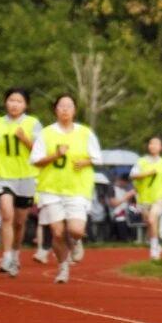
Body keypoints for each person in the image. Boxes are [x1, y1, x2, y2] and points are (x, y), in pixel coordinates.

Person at [30, 93, 101, 284]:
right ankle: (63, 267)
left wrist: (85, 161)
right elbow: (35, 160)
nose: (65, 110)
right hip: (51, 189)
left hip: (77, 188)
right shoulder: (46, 133)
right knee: (57, 232)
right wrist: (55, 155)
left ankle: (76, 241)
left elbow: (97, 157)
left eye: (69, 106)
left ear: (74, 110)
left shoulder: (85, 133)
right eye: (61, 106)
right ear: (55, 109)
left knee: (76, 230)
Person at [0, 87, 42, 277]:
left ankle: (15, 254)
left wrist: (25, 139)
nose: (14, 104)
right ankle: (5, 256)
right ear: (6, 102)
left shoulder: (33, 123)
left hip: (26, 177)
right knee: (7, 214)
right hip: (2, 175)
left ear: (25, 105)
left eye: (19, 101)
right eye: (11, 100)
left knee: (20, 222)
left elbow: (41, 151)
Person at [130, 136, 162, 260]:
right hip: (144, 197)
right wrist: (147, 174)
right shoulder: (141, 161)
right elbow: (133, 175)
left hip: (161, 196)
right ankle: (156, 243)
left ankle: (154, 249)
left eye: (156, 144)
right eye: (151, 143)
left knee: (152, 218)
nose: (153, 146)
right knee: (150, 222)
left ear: (161, 147)